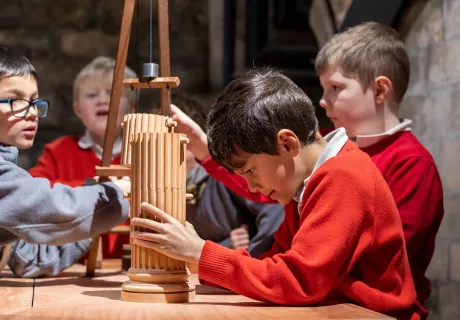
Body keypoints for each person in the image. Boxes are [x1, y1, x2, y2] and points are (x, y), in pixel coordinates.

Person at [129, 69, 422, 319]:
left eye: (251, 171)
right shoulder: (304, 183)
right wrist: (199, 261)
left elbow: (299, 281)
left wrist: (201, 253)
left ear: (286, 144)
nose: (253, 187)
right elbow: (273, 262)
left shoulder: (342, 177)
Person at [315, 22, 443, 312]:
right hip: (324, 298)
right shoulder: (326, 145)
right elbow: (268, 184)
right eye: (324, 89)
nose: (323, 101)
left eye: (335, 87)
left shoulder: (413, 164)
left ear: (380, 89)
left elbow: (382, 260)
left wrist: (309, 270)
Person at [0, 47, 129, 277]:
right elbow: (48, 207)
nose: (31, 112)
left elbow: (32, 257)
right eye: (13, 100)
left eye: (33, 101)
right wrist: (114, 193)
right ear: (77, 109)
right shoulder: (56, 152)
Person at [28, 56, 136, 259]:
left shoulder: (146, 153)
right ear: (77, 109)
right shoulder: (58, 151)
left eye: (114, 94)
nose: (103, 100)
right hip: (71, 266)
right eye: (93, 95)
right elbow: (34, 194)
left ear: (131, 108)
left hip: (134, 267)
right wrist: (95, 188)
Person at [172, 94, 284, 257]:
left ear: (189, 141)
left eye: (169, 142)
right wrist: (226, 246)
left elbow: (275, 208)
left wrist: (251, 258)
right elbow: (191, 247)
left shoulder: (225, 177)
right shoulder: (169, 190)